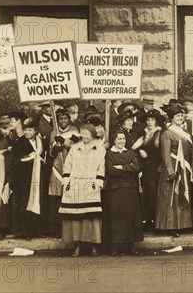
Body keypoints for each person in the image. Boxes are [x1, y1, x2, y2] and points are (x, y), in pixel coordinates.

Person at [59, 123, 106, 257]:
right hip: (75, 184)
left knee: (91, 217)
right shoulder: (74, 148)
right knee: (76, 217)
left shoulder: (100, 149)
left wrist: (98, 182)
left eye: (87, 133)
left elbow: (101, 167)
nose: (84, 136)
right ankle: (77, 245)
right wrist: (66, 181)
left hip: (91, 184)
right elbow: (67, 166)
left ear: (92, 134)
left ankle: (93, 246)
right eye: (82, 133)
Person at [154, 104, 193, 237]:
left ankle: (183, 224)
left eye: (181, 115)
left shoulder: (185, 132)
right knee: (171, 197)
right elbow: (165, 154)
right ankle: (170, 225)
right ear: (171, 118)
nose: (180, 118)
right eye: (177, 116)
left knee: (182, 193)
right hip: (172, 168)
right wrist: (170, 172)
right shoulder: (167, 133)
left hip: (183, 167)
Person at [103, 130, 143, 256]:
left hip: (130, 189)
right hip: (115, 190)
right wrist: (128, 168)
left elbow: (136, 167)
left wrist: (121, 167)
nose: (122, 141)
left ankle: (131, 244)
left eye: (123, 139)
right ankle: (114, 245)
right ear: (114, 140)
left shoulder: (130, 153)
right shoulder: (109, 154)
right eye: (119, 139)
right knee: (116, 217)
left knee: (130, 216)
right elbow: (110, 170)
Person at [11, 117, 47, 239]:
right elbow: (16, 162)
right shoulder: (19, 143)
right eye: (25, 130)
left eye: (30, 130)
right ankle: (26, 231)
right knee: (25, 204)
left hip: (38, 177)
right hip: (24, 179)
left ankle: (38, 229)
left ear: (36, 131)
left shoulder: (42, 143)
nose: (27, 132)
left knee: (39, 202)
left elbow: (44, 158)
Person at [47, 110, 80, 238]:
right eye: (60, 119)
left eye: (65, 118)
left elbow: (75, 145)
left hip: (71, 166)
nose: (63, 121)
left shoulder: (74, 130)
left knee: (70, 198)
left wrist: (64, 142)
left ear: (69, 119)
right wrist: (57, 146)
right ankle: (56, 229)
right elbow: (51, 151)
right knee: (56, 199)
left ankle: (70, 229)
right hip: (57, 166)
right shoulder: (54, 131)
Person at [132, 109, 165, 231]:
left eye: (152, 120)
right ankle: (147, 220)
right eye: (148, 120)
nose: (150, 122)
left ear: (156, 121)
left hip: (157, 166)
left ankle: (156, 220)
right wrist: (140, 151)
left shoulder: (160, 133)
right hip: (145, 167)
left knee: (155, 192)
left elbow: (162, 150)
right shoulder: (143, 133)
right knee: (146, 193)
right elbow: (133, 147)